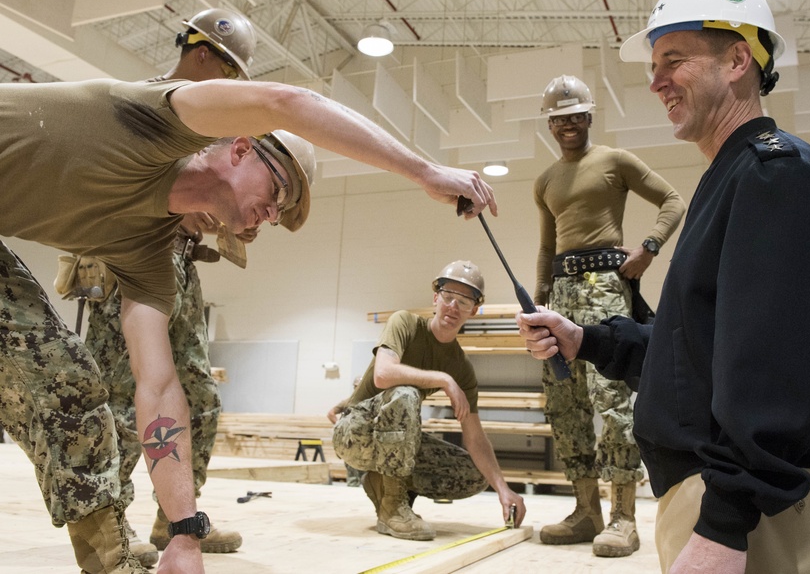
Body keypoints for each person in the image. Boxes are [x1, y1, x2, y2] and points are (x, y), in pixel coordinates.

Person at [0, 77, 496, 574]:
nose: (273, 214)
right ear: (241, 149)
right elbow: (288, 102)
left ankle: (110, 564)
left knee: (67, 383)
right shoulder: (154, 124)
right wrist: (425, 171)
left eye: (281, 211)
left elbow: (158, 385)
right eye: (279, 191)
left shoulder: (147, 252)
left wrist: (184, 533)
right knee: (59, 373)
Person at [517, 0, 810, 574]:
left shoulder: (774, 174)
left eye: (673, 59)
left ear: (736, 60)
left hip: (749, 517)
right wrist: (589, 339)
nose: (655, 82)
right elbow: (694, 349)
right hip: (716, 499)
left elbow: (772, 364)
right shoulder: (728, 180)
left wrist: (724, 526)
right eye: (654, 65)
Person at [83, 7, 259, 567]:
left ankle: (176, 517)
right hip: (130, 262)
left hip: (181, 266)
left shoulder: (205, 123)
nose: (233, 87)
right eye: (230, 71)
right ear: (203, 53)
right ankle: (111, 521)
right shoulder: (148, 105)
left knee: (202, 398)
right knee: (119, 396)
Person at [532, 74, 685, 557]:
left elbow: (673, 200)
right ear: (550, 125)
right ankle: (585, 511)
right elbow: (546, 244)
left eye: (576, 115)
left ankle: (623, 517)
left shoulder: (615, 161)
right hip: (561, 291)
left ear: (589, 116)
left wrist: (648, 248)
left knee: (613, 401)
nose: (568, 124)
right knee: (564, 403)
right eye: (559, 118)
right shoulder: (545, 181)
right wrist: (539, 302)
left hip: (605, 289)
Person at [331, 261, 526, 541]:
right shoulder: (405, 323)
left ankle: (382, 484)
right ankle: (393, 508)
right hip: (355, 433)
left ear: (474, 310)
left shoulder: (461, 367)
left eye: (464, 301)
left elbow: (475, 437)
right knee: (405, 392)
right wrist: (443, 379)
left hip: (391, 443)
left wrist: (503, 489)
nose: (453, 307)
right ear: (436, 298)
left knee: (473, 473)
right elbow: (384, 374)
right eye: (448, 297)